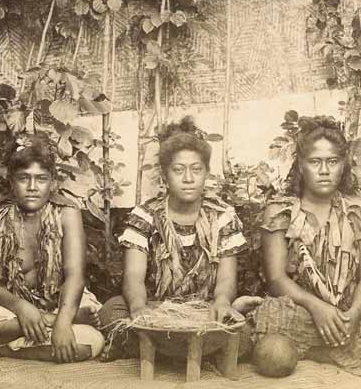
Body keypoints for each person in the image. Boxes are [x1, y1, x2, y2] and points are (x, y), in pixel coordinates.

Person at [250, 116, 361, 377]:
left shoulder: (359, 210)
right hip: (299, 311)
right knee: (273, 356)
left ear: (343, 165)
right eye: (315, 162)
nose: (324, 170)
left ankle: (359, 324)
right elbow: (276, 278)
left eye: (332, 162)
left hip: (347, 313)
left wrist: (354, 315)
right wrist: (317, 308)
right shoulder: (280, 212)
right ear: (301, 166)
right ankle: (359, 329)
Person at [98, 117, 261, 359]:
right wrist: (139, 308)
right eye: (178, 170)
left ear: (206, 173)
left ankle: (160, 353)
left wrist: (223, 301)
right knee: (112, 312)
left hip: (204, 313)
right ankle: (194, 354)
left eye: (196, 169)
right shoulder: (145, 215)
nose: (188, 178)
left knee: (244, 336)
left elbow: (227, 277)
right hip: (156, 310)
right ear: (165, 176)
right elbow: (133, 276)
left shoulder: (223, 216)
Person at [0, 135, 105, 362]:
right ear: (12, 182)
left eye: (41, 179)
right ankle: (41, 329)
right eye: (24, 178)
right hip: (12, 307)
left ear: (52, 183)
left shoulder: (67, 215)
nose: (32, 187)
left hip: (63, 303)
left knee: (91, 342)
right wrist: (24, 309)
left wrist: (63, 319)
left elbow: (75, 277)